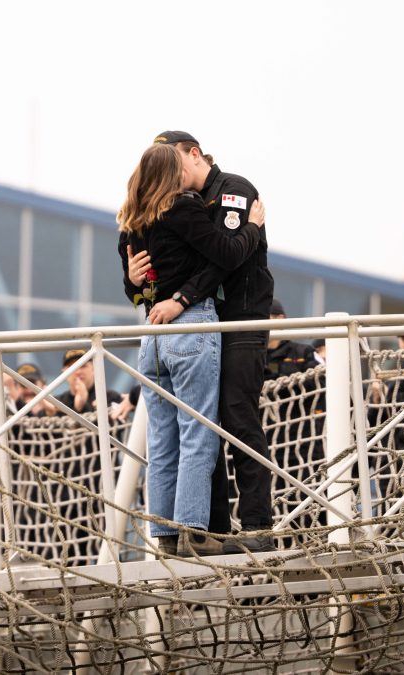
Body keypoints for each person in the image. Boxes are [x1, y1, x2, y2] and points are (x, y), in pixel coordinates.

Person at [118, 142, 265, 557]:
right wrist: (252, 228)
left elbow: (134, 284)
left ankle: (163, 535)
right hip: (189, 325)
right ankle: (192, 531)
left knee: (162, 440)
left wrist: (134, 284)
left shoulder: (131, 220)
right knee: (198, 433)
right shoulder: (183, 208)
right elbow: (226, 253)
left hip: (152, 336)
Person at [154, 131, 276, 554]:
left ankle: (258, 524)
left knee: (238, 415)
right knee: (204, 425)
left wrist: (180, 298)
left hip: (240, 320)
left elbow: (227, 259)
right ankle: (217, 530)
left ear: (194, 154)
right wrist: (137, 281)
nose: (171, 174)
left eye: (175, 163)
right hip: (204, 323)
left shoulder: (234, 190)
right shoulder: (178, 206)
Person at [55, 349, 122, 415]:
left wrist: (83, 406)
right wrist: (50, 412)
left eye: (83, 366)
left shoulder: (109, 397)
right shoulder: (57, 402)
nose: (78, 372)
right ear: (63, 372)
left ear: (94, 368)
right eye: (72, 367)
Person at [265, 299, 319, 381]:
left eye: (264, 318)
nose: (257, 324)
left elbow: (320, 384)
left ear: (280, 319)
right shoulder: (248, 355)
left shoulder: (303, 352)